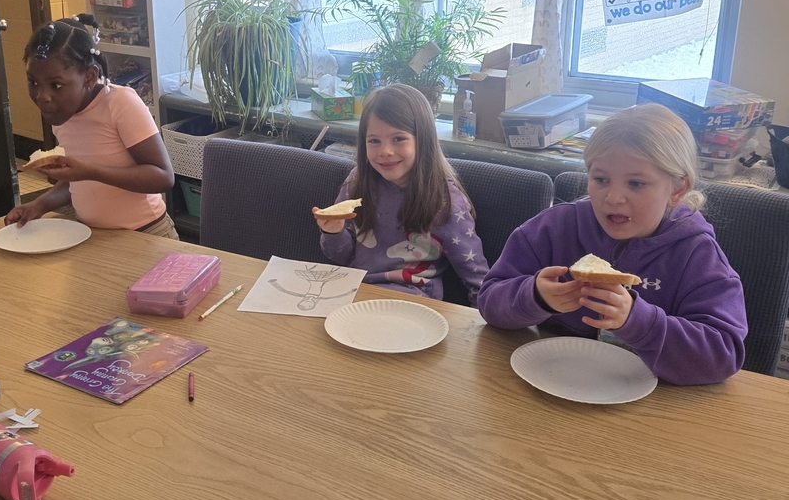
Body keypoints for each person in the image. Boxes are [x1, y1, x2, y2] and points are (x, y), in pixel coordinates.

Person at [477, 103, 747, 385]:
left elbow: (722, 355)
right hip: (551, 379)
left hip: (650, 399)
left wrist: (639, 321)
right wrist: (534, 296)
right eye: (601, 179)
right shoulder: (553, 229)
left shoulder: (696, 253)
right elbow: (489, 302)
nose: (614, 197)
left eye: (636, 184)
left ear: (677, 190)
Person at [5, 14, 178, 239]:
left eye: (56, 85)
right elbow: (76, 181)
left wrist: (91, 172)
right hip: (90, 235)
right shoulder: (62, 112)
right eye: (33, 82)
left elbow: (163, 177)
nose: (42, 96)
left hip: (147, 234)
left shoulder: (120, 103)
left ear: (89, 77)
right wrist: (39, 204)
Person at [313, 83, 488, 303]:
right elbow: (341, 257)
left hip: (412, 303)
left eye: (398, 139)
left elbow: (477, 279)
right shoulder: (356, 183)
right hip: (354, 294)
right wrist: (332, 232)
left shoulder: (446, 202)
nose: (385, 151)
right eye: (374, 141)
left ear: (423, 140)